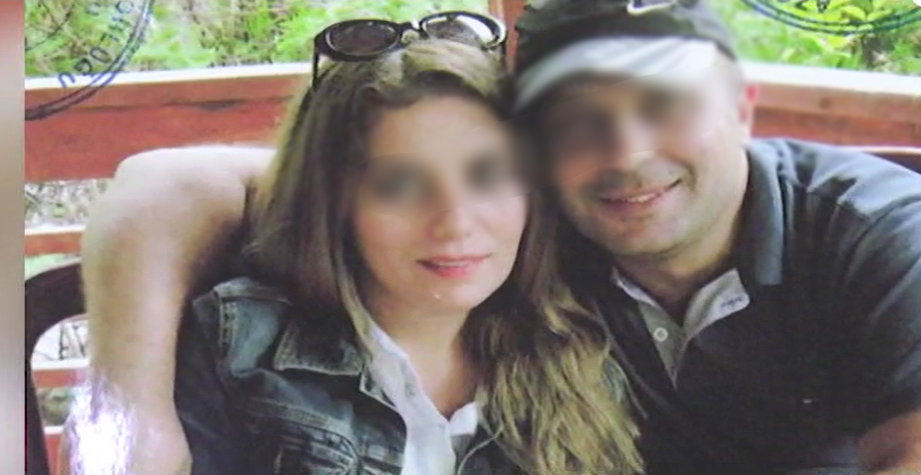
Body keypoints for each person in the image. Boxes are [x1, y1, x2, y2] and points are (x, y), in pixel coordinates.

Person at [77, 1, 921, 474]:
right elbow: (167, 183)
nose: (625, 153)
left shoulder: (877, 234)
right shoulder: (547, 239)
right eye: (575, 117)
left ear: (739, 108)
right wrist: (130, 416)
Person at [69, 11, 647, 475]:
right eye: (400, 185)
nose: (455, 223)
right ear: (334, 201)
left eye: (489, 175)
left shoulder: (580, 351)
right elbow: (161, 180)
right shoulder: (242, 349)